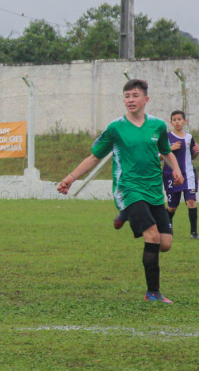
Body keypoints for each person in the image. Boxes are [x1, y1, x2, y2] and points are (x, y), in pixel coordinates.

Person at [57, 79, 184, 304]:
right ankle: (152, 293)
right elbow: (95, 156)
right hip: (129, 189)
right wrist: (70, 178)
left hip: (154, 190)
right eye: (127, 96)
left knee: (164, 244)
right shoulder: (115, 128)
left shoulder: (158, 126)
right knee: (152, 235)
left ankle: (124, 215)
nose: (130, 100)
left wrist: (176, 170)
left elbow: (166, 151)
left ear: (145, 99)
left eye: (135, 96)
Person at [164, 110, 199, 240]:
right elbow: (159, 156)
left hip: (188, 174)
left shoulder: (189, 138)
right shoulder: (166, 138)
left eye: (179, 119)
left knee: (191, 201)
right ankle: (167, 227)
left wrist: (196, 153)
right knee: (172, 206)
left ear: (185, 121)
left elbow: (190, 157)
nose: (177, 122)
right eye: (174, 120)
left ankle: (194, 232)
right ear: (171, 122)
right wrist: (170, 148)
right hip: (171, 175)